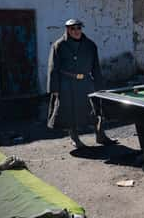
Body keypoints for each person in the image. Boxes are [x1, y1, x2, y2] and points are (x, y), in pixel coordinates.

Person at [47, 19, 118, 148]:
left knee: (96, 109)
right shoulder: (59, 45)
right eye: (72, 28)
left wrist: (99, 86)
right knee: (70, 112)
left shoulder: (90, 45)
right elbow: (53, 68)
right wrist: (54, 88)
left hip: (86, 82)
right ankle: (74, 139)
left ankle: (100, 135)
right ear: (67, 30)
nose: (76, 31)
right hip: (67, 83)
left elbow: (96, 67)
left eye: (78, 28)